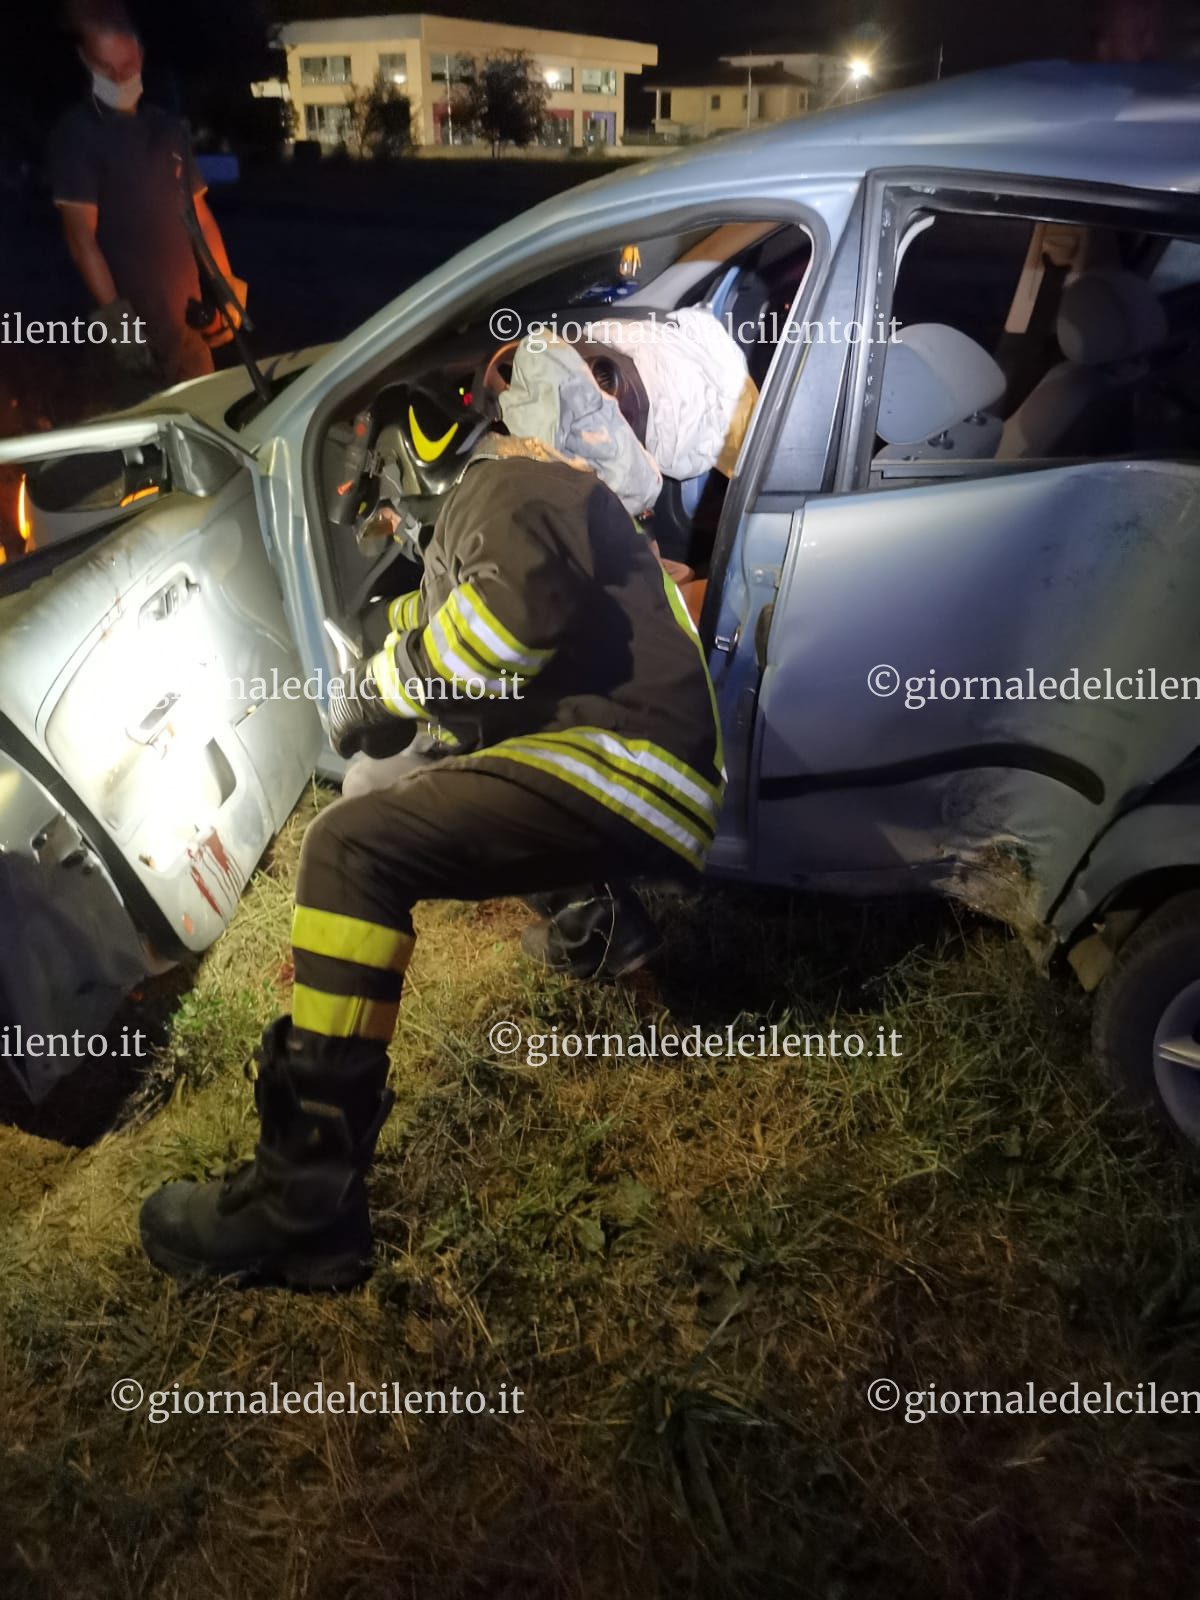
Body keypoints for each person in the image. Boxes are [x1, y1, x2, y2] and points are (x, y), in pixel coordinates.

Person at [138, 332, 729, 1290]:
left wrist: (375, 696)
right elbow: (446, 623)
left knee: (349, 851)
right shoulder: (550, 494)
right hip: (627, 758)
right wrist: (383, 677)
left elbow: (496, 634)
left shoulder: (514, 486)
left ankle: (302, 1204)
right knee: (425, 797)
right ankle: (602, 932)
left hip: (617, 760)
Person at [48, 0, 245, 392]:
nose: (121, 78)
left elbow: (199, 217)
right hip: (129, 340)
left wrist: (224, 284)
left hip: (188, 334)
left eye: (128, 66)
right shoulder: (78, 134)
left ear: (140, 54)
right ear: (86, 60)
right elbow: (81, 238)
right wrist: (118, 326)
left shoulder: (167, 130)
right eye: (108, 69)